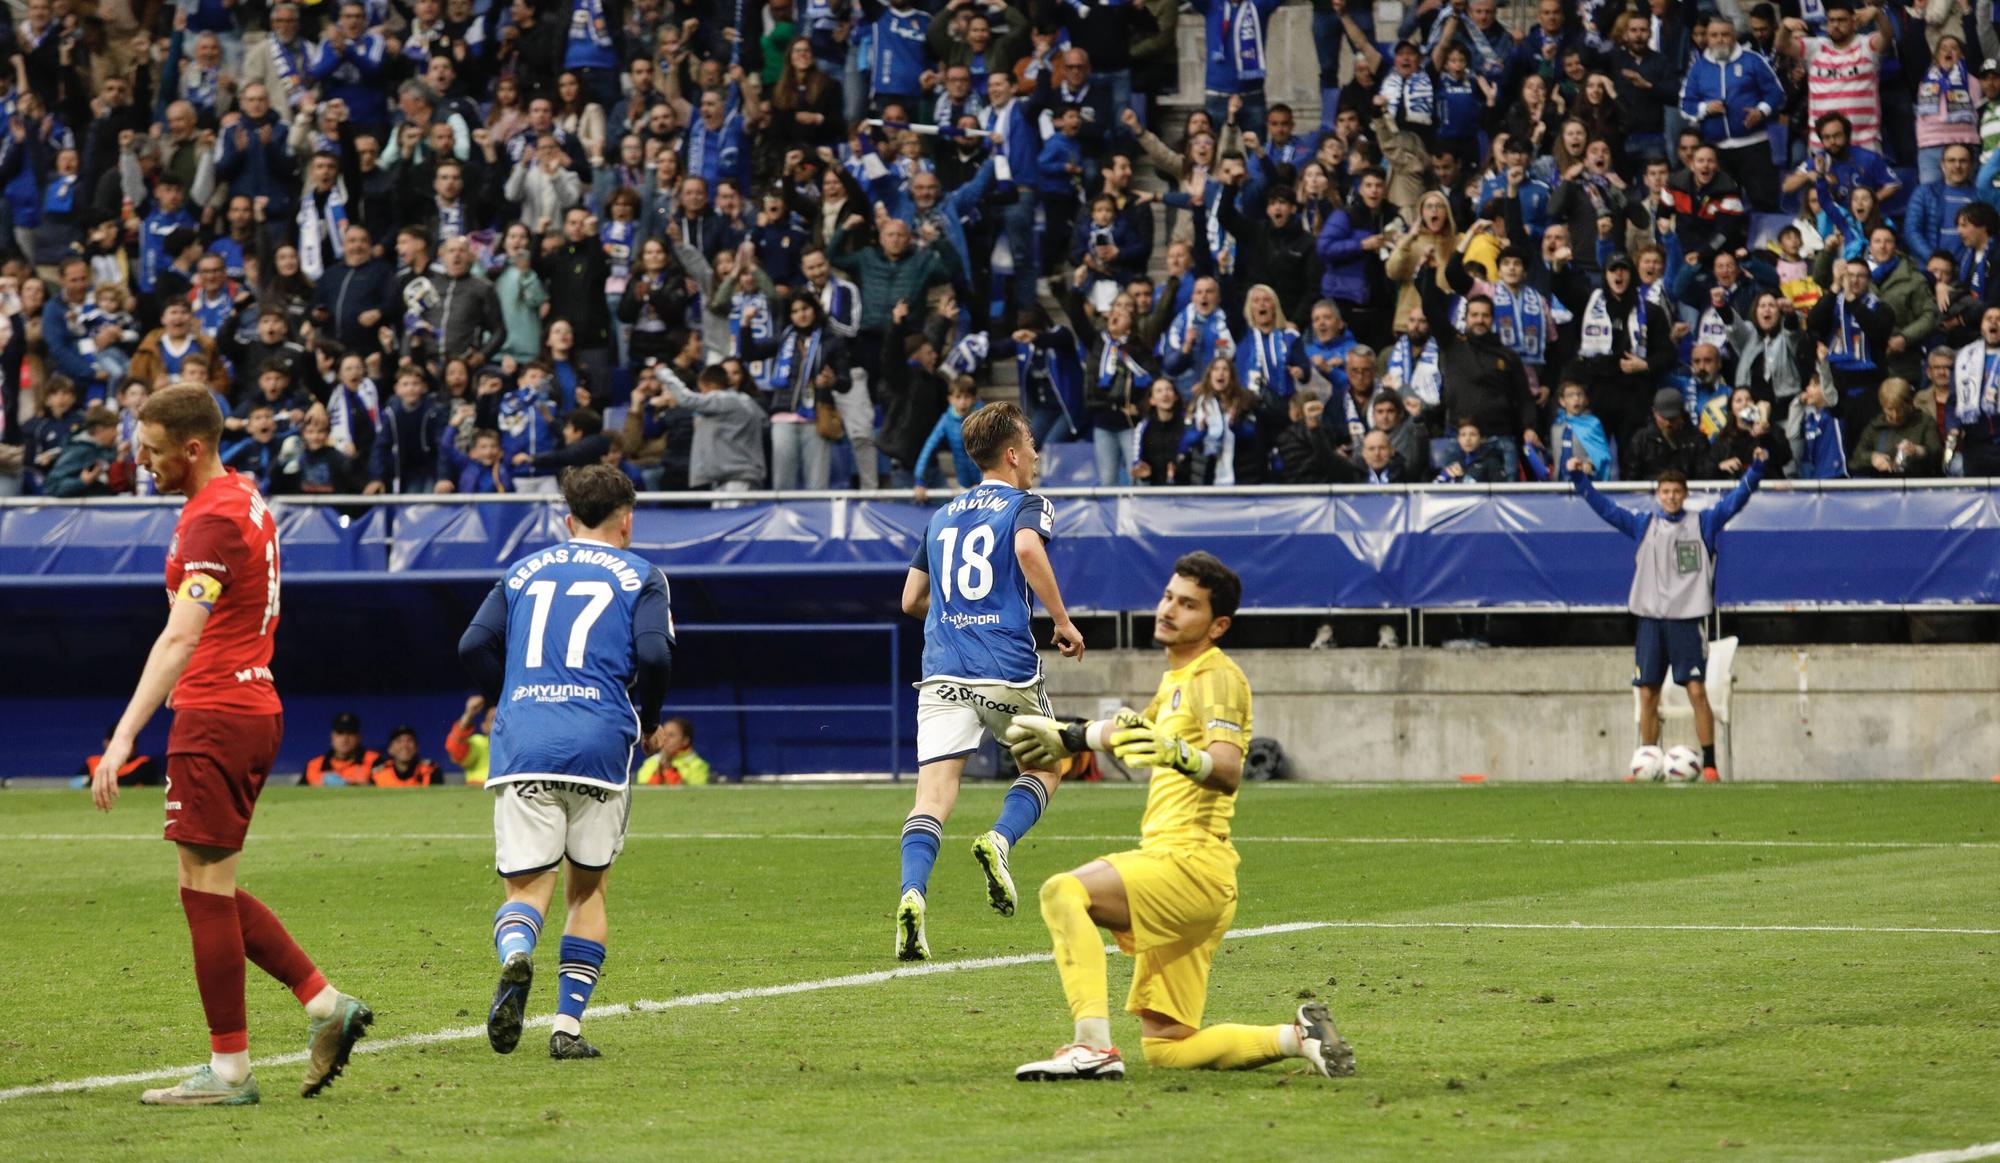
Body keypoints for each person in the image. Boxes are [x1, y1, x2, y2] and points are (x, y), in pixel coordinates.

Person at [91, 385, 372, 1105]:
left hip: (216, 711)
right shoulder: (243, 494)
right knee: (205, 888)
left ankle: (231, 1071)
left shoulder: (211, 519)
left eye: (151, 450)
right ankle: (322, 1003)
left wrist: (124, 736)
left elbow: (182, 634)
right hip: (249, 704)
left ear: (192, 448)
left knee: (204, 891)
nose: (140, 460)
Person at [999, 552, 1353, 1081]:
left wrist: (1176, 753)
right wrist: (1064, 740)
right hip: (1192, 875)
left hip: (1189, 864)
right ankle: (1298, 1037)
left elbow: (1228, 770)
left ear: (1218, 625)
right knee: (1167, 1047)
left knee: (1063, 893)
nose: (1169, 610)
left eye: (1188, 605)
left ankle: (1091, 1047)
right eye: (1168, 597)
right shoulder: (1179, 680)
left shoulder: (1218, 677)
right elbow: (1129, 734)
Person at [457, 465, 675, 1061]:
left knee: (526, 885)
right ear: (626, 519)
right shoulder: (642, 575)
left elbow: (472, 645)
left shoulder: (522, 571)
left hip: (525, 740)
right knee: (589, 890)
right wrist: (649, 718)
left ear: (566, 519)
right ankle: (567, 1028)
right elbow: (655, 654)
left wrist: (512, 693)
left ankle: (515, 956)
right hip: (600, 743)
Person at [896, 402, 1086, 961]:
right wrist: (1062, 619)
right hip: (1004, 666)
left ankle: (912, 897)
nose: (1033, 455)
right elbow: (1027, 548)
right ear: (1011, 453)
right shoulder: (1027, 504)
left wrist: (953, 607)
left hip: (941, 672)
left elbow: (910, 600)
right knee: (1049, 765)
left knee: (931, 796)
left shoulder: (942, 515)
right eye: (1029, 445)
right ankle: (999, 839)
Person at [1569, 448, 1768, 783]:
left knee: (1696, 690)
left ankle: (1709, 765)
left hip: (1686, 621)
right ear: (1657, 496)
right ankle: (1647, 761)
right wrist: (1578, 479)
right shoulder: (1644, 525)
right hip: (1650, 621)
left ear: (1685, 494)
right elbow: (1606, 509)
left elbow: (1735, 501)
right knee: (1647, 692)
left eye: (1677, 492)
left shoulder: (1702, 523)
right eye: (1665, 492)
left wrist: (1757, 469)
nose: (1671, 497)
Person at [635, 717, 713, 785]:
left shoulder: (698, 766)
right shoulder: (651, 762)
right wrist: (659, 772)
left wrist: (669, 770)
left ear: (685, 740)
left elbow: (694, 795)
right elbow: (644, 791)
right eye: (664, 734)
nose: (666, 739)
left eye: (671, 735)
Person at [369, 725, 445, 787]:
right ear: (390, 749)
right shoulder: (379, 773)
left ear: (417, 748)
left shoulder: (431, 771)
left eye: (409, 740)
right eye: (399, 741)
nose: (405, 745)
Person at [445, 696, 495, 787]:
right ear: (484, 726)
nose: (499, 723)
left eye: (503, 719)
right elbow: (455, 750)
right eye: (494, 719)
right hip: (479, 795)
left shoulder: (519, 745)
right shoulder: (478, 743)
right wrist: (468, 715)